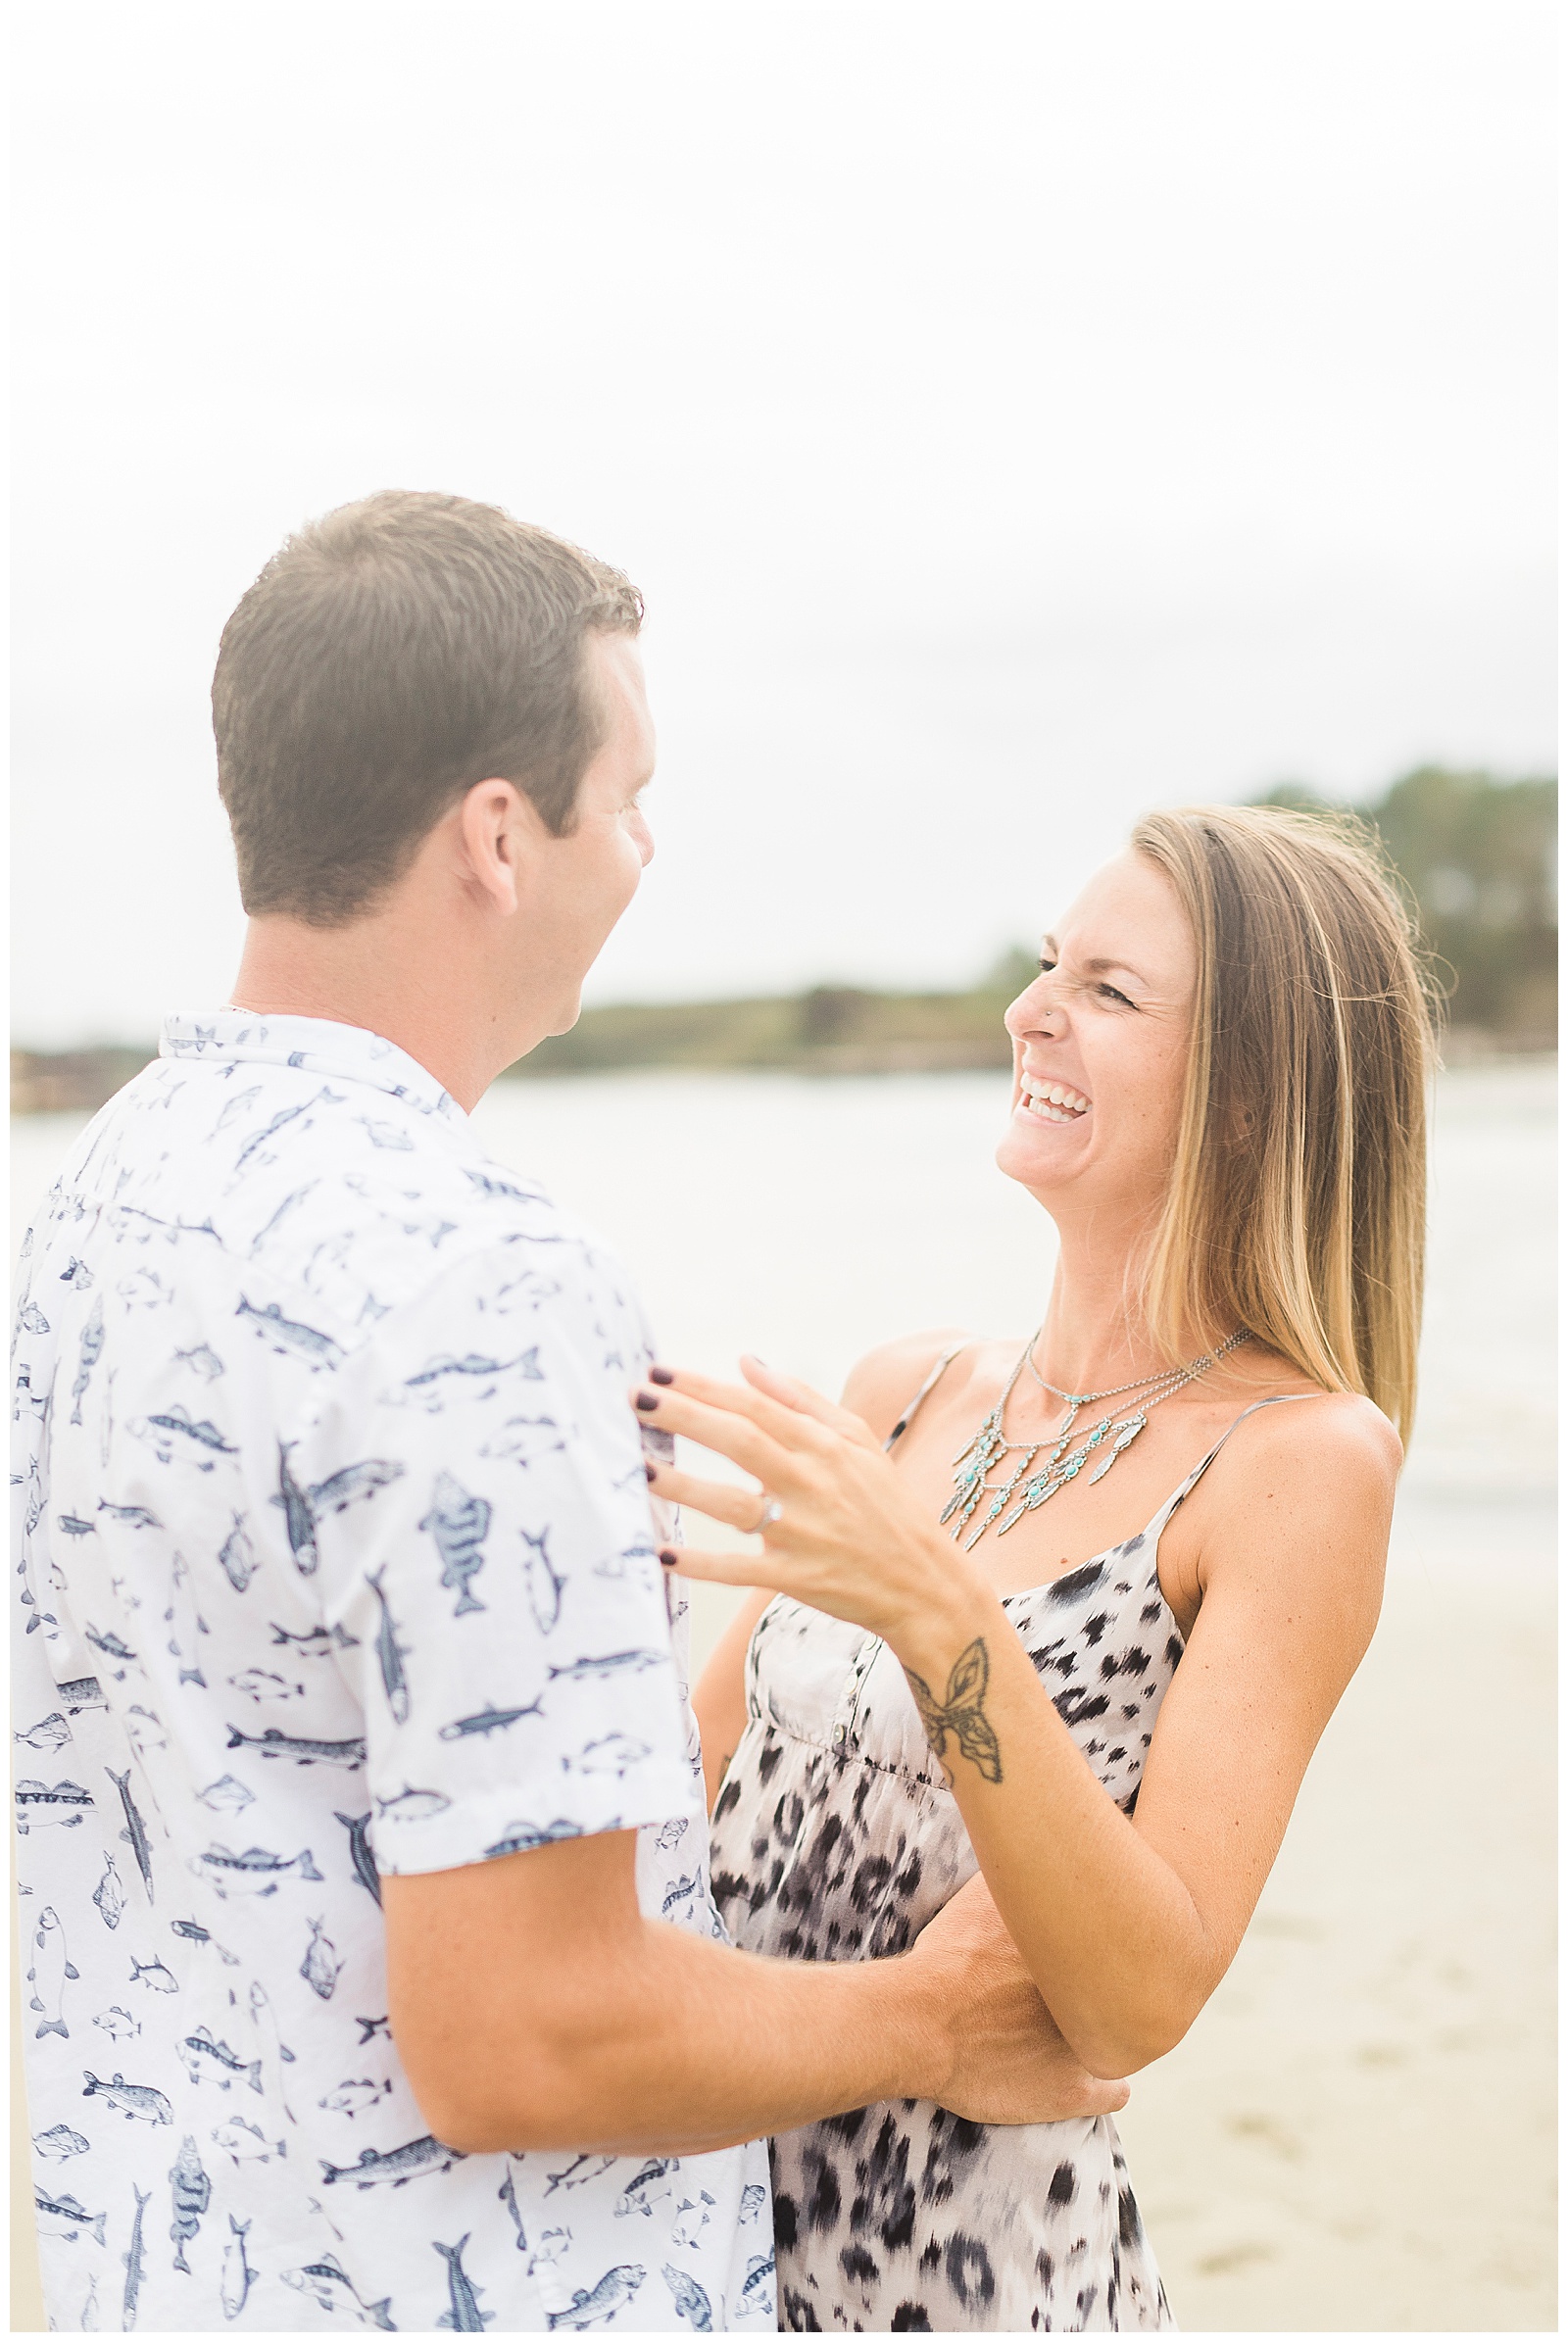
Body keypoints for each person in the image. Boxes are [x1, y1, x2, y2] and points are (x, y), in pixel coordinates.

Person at [11, 491, 1122, 2335]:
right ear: (499, 838)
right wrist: (937, 2016)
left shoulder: (102, 1201)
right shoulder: (484, 1279)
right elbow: (527, 2030)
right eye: (630, 800)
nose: (647, 850)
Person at [638, 804, 1436, 2332]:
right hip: (705, 2237)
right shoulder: (907, 1389)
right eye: (1047, 963)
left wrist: (937, 1612)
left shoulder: (1299, 1460)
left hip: (972, 2276)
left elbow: (1140, 1995)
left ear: (1255, 1097)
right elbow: (687, 1800)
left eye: (1109, 989)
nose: (1032, 1009)